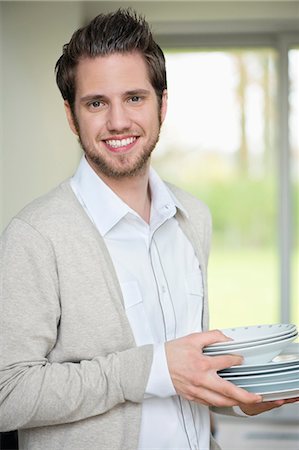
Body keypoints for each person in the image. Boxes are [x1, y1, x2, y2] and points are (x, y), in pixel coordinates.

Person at [0, 8, 297, 450]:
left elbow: (181, 377)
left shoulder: (193, 216)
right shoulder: (35, 235)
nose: (118, 121)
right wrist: (151, 369)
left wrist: (234, 394)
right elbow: (9, 393)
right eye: (96, 103)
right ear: (71, 115)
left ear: (163, 104)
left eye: (135, 97)